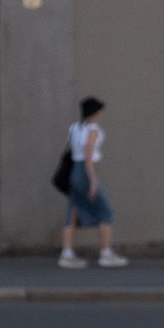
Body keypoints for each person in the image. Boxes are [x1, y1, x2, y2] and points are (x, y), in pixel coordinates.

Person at [58, 95, 128, 269]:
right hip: (85, 172)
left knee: (73, 212)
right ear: (95, 112)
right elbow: (88, 156)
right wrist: (93, 181)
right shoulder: (94, 129)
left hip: (74, 171)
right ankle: (106, 254)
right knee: (106, 212)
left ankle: (67, 254)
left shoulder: (74, 128)